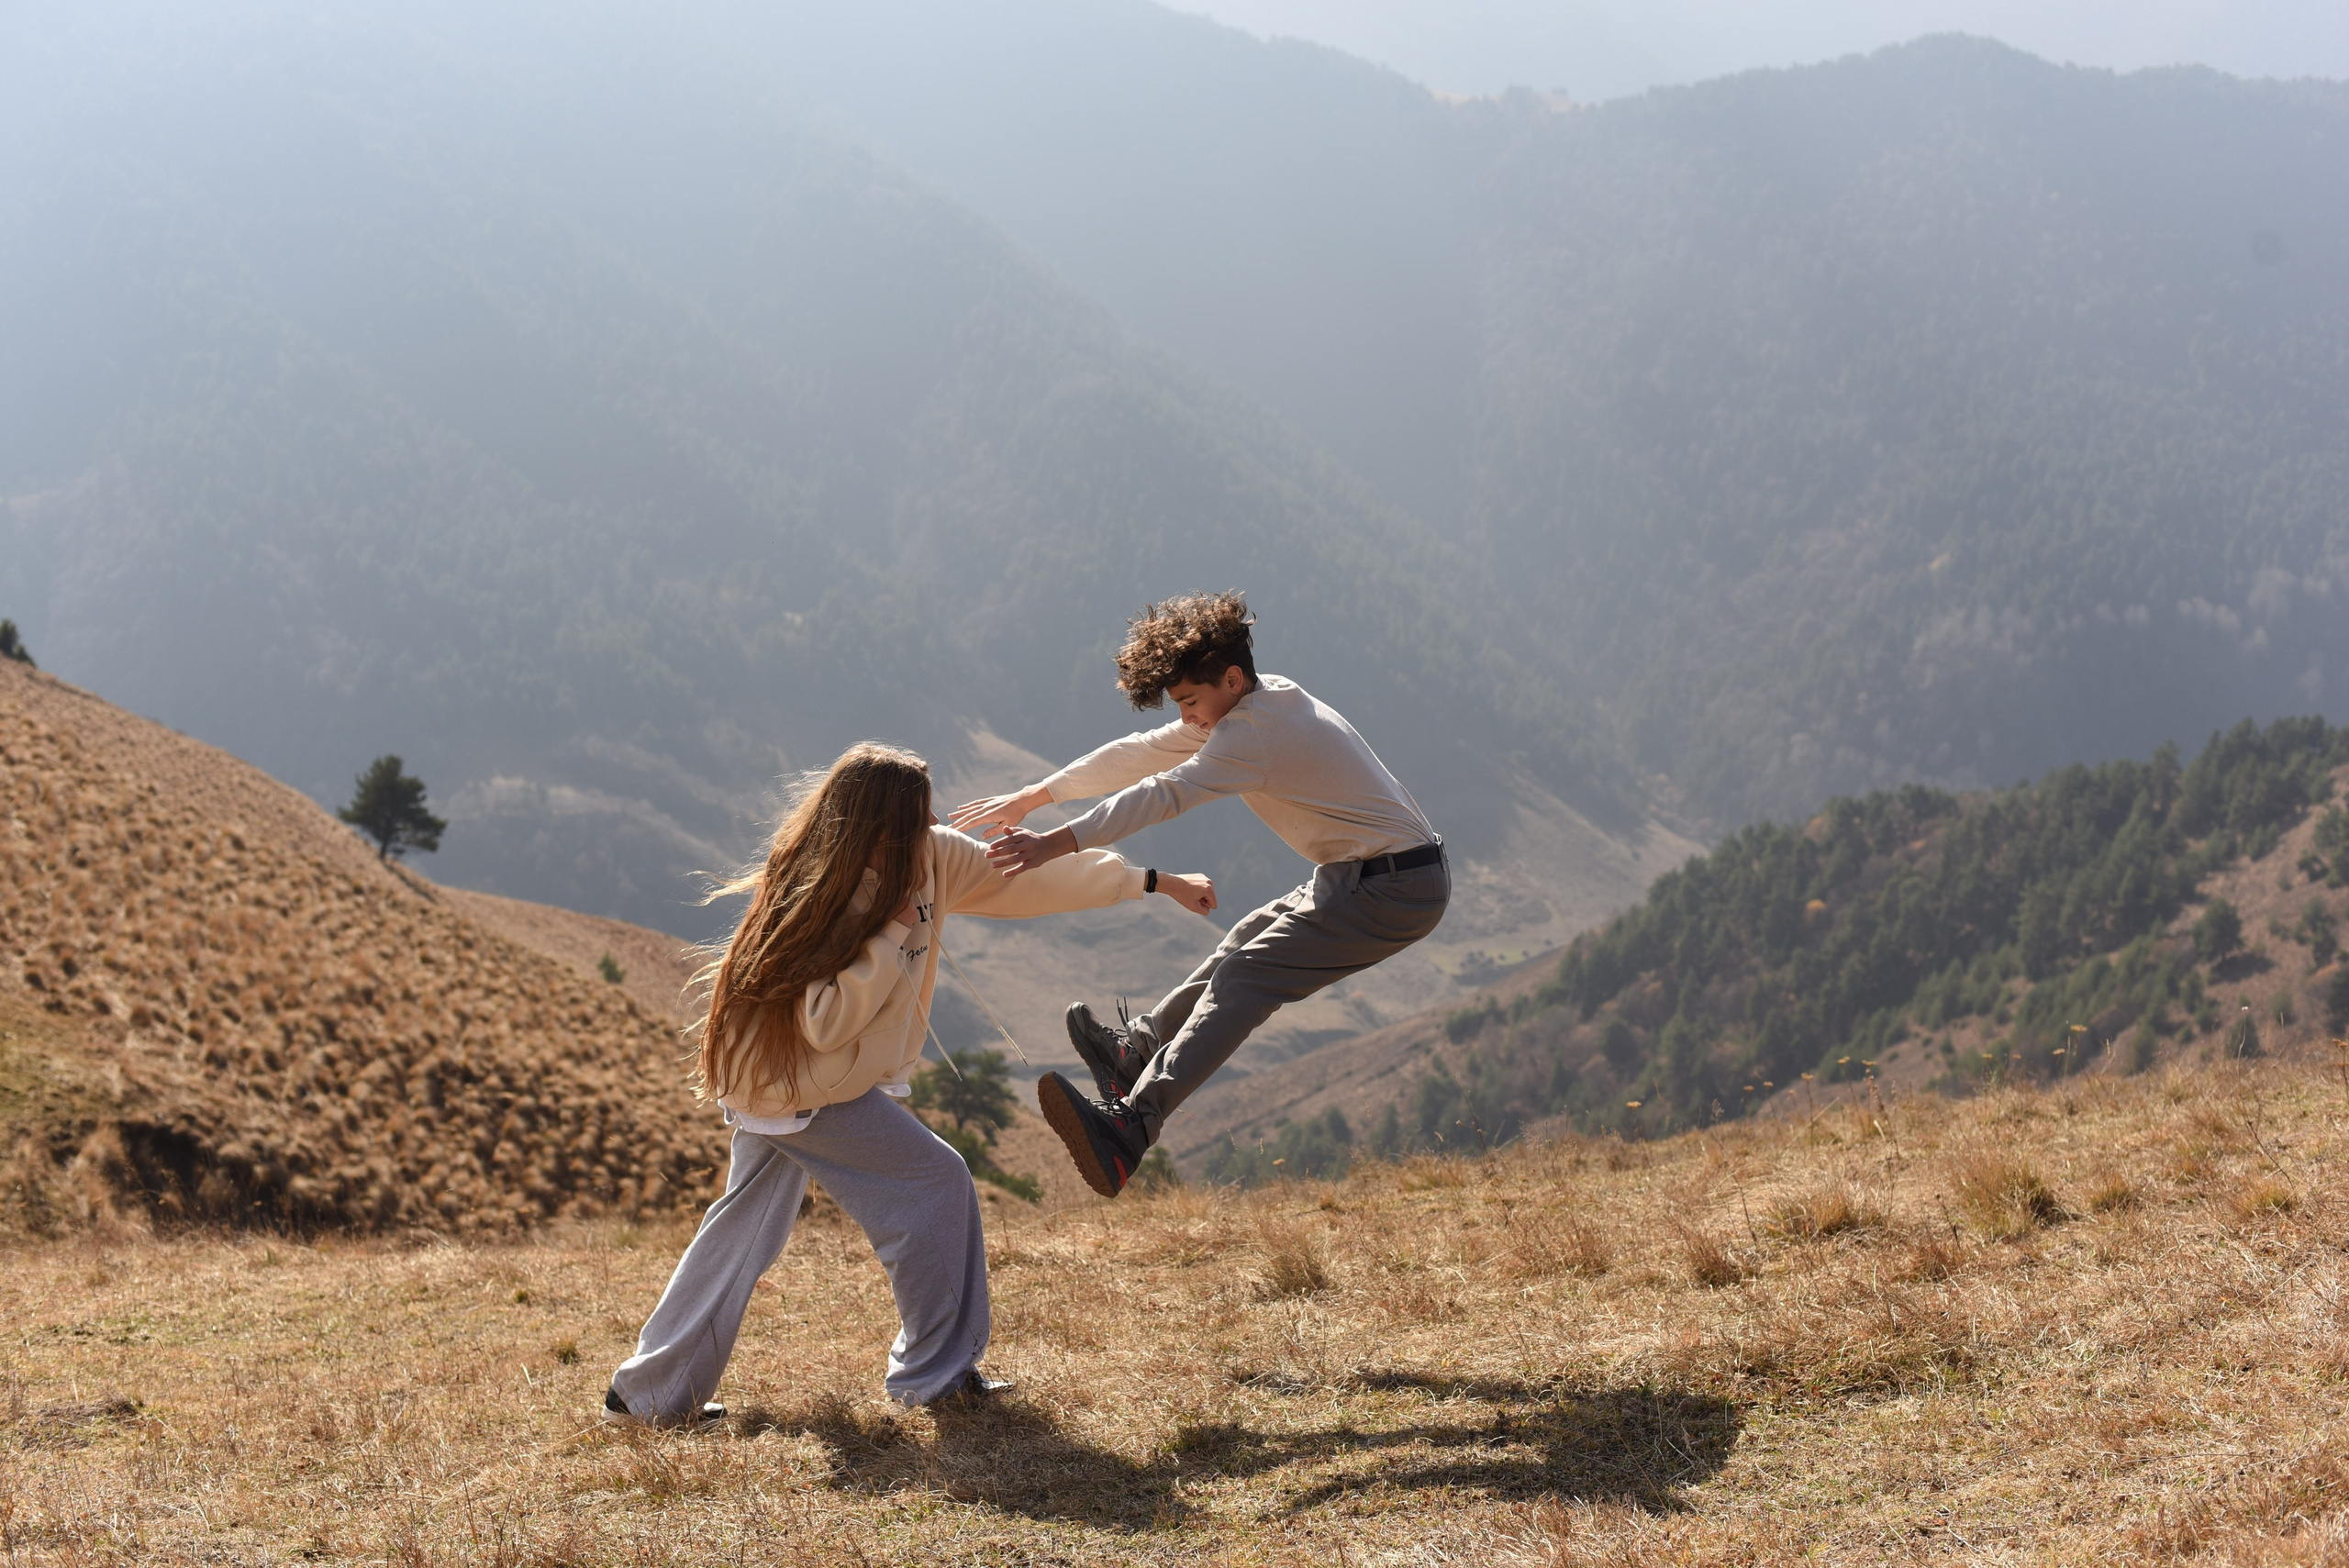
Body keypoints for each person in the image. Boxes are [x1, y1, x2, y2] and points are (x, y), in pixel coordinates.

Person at [604, 741, 1215, 1426]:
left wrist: (1151, 880)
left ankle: (645, 1397)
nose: (932, 832)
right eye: (917, 822)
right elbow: (826, 1023)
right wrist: (891, 937)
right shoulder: (829, 889)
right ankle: (936, 1376)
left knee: (746, 1230)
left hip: (783, 1078)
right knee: (936, 1181)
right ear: (879, 829)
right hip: (796, 1082)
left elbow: (1028, 881)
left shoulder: (927, 856)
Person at [951, 592, 1449, 1197]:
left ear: (1230, 678)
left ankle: (1129, 1131)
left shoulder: (1251, 732)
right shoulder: (1257, 701)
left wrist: (1055, 842)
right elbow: (1141, 755)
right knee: (1241, 943)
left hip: (1394, 884)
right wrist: (1039, 793)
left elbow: (1163, 791)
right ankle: (1137, 1053)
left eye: (1189, 701)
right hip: (1365, 874)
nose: (1186, 717)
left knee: (1247, 977)